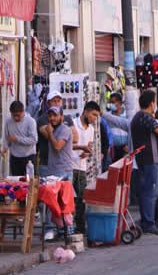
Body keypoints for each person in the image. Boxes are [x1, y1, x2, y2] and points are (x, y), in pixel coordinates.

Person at [36, 90, 77, 240]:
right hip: (52, 170)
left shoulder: (64, 129)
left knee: (65, 202)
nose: (52, 118)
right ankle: (59, 229)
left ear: (61, 116)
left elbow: (58, 146)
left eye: (55, 115)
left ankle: (68, 230)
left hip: (64, 171)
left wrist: (50, 133)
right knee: (52, 202)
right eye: (50, 115)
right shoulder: (44, 122)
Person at [130, 90, 158, 235]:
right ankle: (148, 223)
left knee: (148, 191)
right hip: (150, 159)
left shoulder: (137, 117)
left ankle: (149, 220)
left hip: (145, 159)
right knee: (150, 192)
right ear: (151, 103)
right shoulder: (146, 117)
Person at [72, 101, 101, 234]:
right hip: (70, 166)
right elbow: (68, 146)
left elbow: (89, 147)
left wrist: (87, 152)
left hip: (82, 167)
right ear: (86, 111)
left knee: (82, 199)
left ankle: (80, 227)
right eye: (93, 115)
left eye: (97, 116)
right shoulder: (73, 124)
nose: (94, 119)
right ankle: (68, 227)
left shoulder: (91, 129)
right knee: (71, 199)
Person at [3, 100, 38, 176]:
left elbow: (34, 139)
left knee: (30, 182)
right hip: (15, 158)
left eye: (18, 115)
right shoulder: (8, 121)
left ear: (23, 112)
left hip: (29, 157)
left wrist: (17, 139)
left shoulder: (31, 121)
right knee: (16, 183)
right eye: (13, 115)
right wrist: (5, 147)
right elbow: (6, 137)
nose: (16, 118)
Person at [108, 92, 129, 162]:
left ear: (120, 103)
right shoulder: (108, 116)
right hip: (113, 149)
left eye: (113, 102)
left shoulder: (127, 115)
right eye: (110, 102)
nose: (111, 104)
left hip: (125, 148)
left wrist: (128, 144)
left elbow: (132, 131)